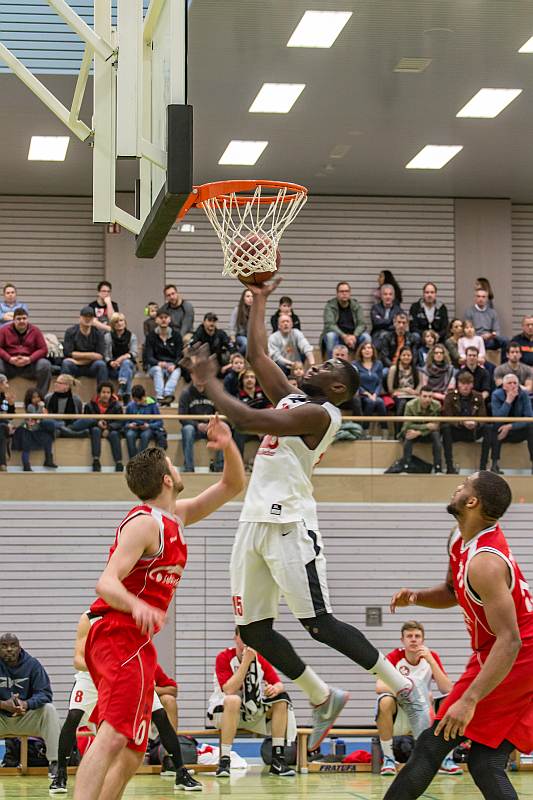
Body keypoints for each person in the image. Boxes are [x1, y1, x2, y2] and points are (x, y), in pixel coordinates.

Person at [182, 278, 432, 755]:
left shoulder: (322, 416)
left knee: (319, 622)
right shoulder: (295, 397)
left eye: (328, 364)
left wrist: (208, 382)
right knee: (253, 630)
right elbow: (258, 356)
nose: (315, 363)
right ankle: (322, 695)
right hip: (253, 521)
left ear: (337, 387)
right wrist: (257, 298)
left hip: (291, 525)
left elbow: (250, 420)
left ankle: (404, 687)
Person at [72, 423, 245, 800]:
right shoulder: (144, 523)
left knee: (134, 748)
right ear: (167, 479)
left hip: (135, 640)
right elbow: (106, 582)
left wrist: (229, 445)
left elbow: (233, 486)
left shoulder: (176, 517)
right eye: (174, 464)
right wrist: (138, 605)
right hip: (116, 631)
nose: (179, 469)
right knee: (115, 734)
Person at [385, 471, 533, 800]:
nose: (457, 486)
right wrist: (417, 597)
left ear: (472, 501)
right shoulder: (458, 537)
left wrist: (469, 699)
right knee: (485, 761)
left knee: (431, 744)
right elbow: (454, 590)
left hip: (516, 656)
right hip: (498, 653)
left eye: (464, 484)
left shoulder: (486, 563)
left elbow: (511, 640)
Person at [51, 611, 198, 794]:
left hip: (126, 675)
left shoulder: (133, 615)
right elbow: (78, 659)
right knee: (74, 716)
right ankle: (60, 775)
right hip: (92, 676)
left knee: (160, 715)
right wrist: (104, 666)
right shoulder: (89, 618)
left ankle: (180, 772)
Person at [208, 629, 296, 778]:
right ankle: (224, 761)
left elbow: (279, 684)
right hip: (223, 712)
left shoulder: (259, 658)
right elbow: (229, 689)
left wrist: (274, 688)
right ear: (235, 637)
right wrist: (246, 662)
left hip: (250, 712)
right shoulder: (224, 657)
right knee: (233, 700)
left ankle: (278, 760)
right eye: (243, 637)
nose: (247, 642)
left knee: (281, 699)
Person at [376, 621, 458, 777]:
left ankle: (446, 760)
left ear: (423, 640)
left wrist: (432, 662)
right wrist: (412, 689)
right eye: (409, 636)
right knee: (384, 701)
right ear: (402, 640)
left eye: (417, 636)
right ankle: (389, 759)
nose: (413, 639)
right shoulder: (395, 656)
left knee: (449, 700)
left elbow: (448, 689)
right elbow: (379, 686)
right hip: (401, 712)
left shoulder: (431, 657)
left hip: (425, 713)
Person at [0, 633, 61, 779]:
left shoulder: (32, 664)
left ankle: (55, 763)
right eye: (4, 646)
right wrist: (3, 705)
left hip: (25, 719)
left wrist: (26, 704)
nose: (9, 649)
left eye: (13, 645)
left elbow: (45, 694)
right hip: (2, 718)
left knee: (49, 710)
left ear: (19, 648)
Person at [441, 372, 491, 474]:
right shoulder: (450, 397)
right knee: (446, 428)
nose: (465, 386)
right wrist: (462, 422)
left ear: (472, 385)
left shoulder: (478, 396)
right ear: (458, 384)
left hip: (474, 431)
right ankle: (449, 467)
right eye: (463, 383)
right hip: (457, 430)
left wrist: (476, 423)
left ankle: (483, 467)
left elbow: (483, 417)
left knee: (488, 428)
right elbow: (447, 416)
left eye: (468, 384)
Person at [71, 382, 124, 472]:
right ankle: (96, 461)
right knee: (96, 430)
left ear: (111, 394)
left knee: (115, 434)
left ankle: (119, 462)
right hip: (95, 428)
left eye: (108, 392)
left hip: (111, 429)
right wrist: (97, 423)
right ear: (99, 393)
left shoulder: (117, 406)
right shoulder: (90, 405)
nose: (105, 395)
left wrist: (109, 428)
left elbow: (119, 422)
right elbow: (86, 420)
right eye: (103, 392)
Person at [0, 307, 51, 396]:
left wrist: (30, 359)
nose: (22, 321)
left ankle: (40, 397)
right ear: (13, 320)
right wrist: (9, 359)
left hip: (29, 366)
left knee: (45, 365)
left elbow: (43, 349)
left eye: (24, 318)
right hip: (9, 365)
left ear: (27, 319)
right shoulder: (4, 330)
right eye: (18, 319)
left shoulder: (35, 330)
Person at [490, 373, 533, 474]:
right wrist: (508, 401)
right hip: (501, 431)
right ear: (504, 386)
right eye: (510, 383)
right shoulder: (496, 394)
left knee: (532, 427)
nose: (513, 385)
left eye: (515, 383)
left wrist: (510, 426)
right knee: (492, 427)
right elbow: (497, 418)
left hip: (518, 430)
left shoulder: (524, 395)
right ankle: (494, 464)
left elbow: (529, 417)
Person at [178, 374, 222, 473]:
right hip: (194, 428)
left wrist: (212, 424)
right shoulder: (186, 393)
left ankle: (219, 467)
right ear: (192, 376)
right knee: (187, 429)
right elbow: (181, 417)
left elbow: (221, 413)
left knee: (223, 429)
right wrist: (197, 425)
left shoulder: (213, 393)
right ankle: (189, 468)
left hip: (210, 427)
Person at [143, 307, 183, 406]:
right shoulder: (151, 336)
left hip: (171, 365)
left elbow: (180, 355)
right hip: (155, 366)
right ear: (156, 320)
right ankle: (160, 397)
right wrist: (158, 363)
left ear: (170, 319)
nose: (164, 319)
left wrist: (174, 365)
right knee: (157, 369)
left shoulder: (177, 336)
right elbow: (148, 356)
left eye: (166, 317)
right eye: (161, 317)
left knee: (177, 371)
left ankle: (168, 395)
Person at [398, 387, 442, 473]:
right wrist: (426, 426)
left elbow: (435, 426)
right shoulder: (410, 405)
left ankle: (438, 468)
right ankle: (405, 468)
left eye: (430, 397)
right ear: (419, 396)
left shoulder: (437, 405)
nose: (427, 399)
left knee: (436, 435)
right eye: (425, 396)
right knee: (409, 435)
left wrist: (419, 432)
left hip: (425, 434)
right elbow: (407, 425)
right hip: (411, 432)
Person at [321, 281, 370, 357]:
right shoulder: (330, 306)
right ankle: (331, 364)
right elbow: (330, 325)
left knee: (366, 337)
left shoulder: (356, 306)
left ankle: (361, 365)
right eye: (341, 291)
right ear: (337, 293)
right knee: (330, 336)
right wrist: (344, 336)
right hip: (338, 337)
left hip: (353, 337)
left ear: (350, 293)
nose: (344, 293)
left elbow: (362, 324)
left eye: (347, 291)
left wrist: (354, 336)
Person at [12, 387, 56, 471]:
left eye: (38, 397)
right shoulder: (30, 406)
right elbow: (35, 416)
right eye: (34, 397)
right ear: (30, 399)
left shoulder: (41, 407)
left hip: (37, 429)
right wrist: (41, 408)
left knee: (48, 439)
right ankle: (26, 465)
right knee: (26, 448)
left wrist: (44, 411)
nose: (36, 399)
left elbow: (43, 418)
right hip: (27, 429)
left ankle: (48, 460)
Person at [233, 368, 272, 463]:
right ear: (242, 381)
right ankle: (238, 463)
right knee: (238, 432)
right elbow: (242, 417)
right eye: (246, 377)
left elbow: (271, 410)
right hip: (247, 428)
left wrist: (260, 428)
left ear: (255, 380)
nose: (249, 380)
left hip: (263, 426)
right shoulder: (238, 396)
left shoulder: (263, 393)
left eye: (252, 377)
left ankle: (268, 463)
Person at [62, 307, 108, 384]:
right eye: (85, 316)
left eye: (90, 317)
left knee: (101, 364)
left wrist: (78, 360)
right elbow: (68, 353)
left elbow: (100, 356)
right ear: (80, 318)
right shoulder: (70, 332)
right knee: (66, 364)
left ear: (93, 319)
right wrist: (92, 355)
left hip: (91, 366)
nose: (88, 319)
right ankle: (63, 393)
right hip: (75, 366)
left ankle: (102, 393)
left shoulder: (98, 333)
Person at [464, 288, 508, 363]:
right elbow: (467, 330)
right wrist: (479, 337)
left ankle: (504, 364)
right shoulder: (469, 312)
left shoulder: (492, 312)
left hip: (489, 340)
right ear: (475, 298)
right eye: (478, 296)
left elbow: (497, 331)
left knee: (505, 340)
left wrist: (491, 335)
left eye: (483, 297)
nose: (481, 299)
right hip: (475, 340)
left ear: (487, 299)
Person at [124, 384, 166, 458]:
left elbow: (160, 422)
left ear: (144, 396)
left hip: (148, 428)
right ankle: (133, 460)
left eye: (140, 400)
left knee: (145, 435)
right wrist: (129, 425)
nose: (138, 403)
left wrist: (149, 425)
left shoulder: (152, 405)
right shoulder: (130, 406)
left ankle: (139, 460)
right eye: (135, 401)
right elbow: (125, 422)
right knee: (129, 435)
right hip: (134, 428)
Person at [353, 341, 387, 433]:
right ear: (360, 351)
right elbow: (356, 383)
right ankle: (365, 431)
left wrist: (375, 394)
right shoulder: (355, 364)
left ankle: (385, 431)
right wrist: (367, 394)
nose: (367, 350)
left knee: (380, 402)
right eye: (364, 348)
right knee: (370, 402)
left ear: (373, 351)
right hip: (362, 395)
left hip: (375, 394)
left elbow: (380, 382)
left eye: (369, 348)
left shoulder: (378, 364)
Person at [105, 312, 138, 404]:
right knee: (128, 372)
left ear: (125, 322)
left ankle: (122, 387)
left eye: (121, 321)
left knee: (126, 363)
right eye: (116, 322)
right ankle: (126, 395)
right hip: (113, 366)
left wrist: (122, 358)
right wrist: (111, 362)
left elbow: (134, 353)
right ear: (112, 324)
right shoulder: (108, 337)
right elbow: (106, 355)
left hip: (129, 363)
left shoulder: (132, 336)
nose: (119, 323)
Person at [386, 346, 422, 418]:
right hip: (398, 395)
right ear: (400, 356)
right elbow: (390, 389)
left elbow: (420, 385)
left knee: (417, 402)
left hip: (412, 395)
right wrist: (405, 390)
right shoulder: (393, 369)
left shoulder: (416, 370)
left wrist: (415, 391)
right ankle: (399, 428)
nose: (406, 357)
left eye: (408, 355)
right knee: (403, 403)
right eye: (404, 355)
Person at [229, 288, 253, 355]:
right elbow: (232, 326)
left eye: (252, 296)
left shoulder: (256, 311)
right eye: (248, 296)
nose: (250, 298)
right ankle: (237, 356)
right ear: (243, 298)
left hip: (252, 337)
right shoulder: (237, 310)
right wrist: (233, 338)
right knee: (246, 344)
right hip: (240, 336)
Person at [0, 374, 15, 471]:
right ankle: (2, 462)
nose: (7, 386)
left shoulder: (3, 397)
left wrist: (11, 405)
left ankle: (2, 463)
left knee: (2, 428)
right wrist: (7, 423)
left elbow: (9, 416)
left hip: (2, 424)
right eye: (6, 383)